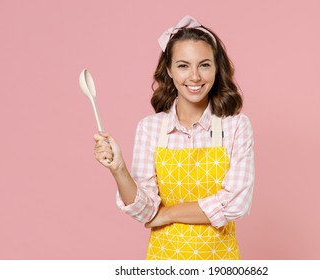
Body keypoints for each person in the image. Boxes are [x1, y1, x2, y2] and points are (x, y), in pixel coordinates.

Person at [93, 15, 255, 260]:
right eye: (183, 65)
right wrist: (118, 169)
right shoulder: (149, 128)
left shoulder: (236, 126)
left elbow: (235, 204)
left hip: (219, 259)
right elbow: (145, 211)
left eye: (204, 65)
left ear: (216, 68)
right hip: (164, 259)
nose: (195, 77)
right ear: (168, 70)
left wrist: (167, 214)